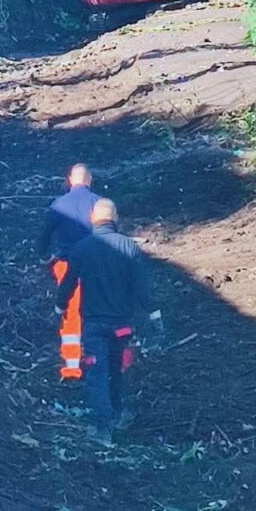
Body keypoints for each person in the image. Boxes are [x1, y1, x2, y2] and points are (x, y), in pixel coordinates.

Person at [55, 198, 163, 446]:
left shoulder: (82, 248)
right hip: (122, 325)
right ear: (115, 218)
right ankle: (118, 413)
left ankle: (102, 429)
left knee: (97, 372)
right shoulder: (129, 247)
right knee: (116, 369)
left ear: (93, 218)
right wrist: (154, 314)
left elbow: (69, 282)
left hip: (94, 324)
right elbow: (143, 287)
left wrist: (60, 306)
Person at [38, 164, 100, 380]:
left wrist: (46, 258)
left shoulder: (59, 205)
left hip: (66, 264)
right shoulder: (99, 204)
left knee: (71, 313)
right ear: (89, 179)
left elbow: (44, 237)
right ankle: (99, 361)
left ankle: (72, 366)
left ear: (70, 180)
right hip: (96, 264)